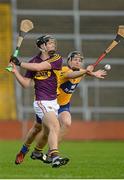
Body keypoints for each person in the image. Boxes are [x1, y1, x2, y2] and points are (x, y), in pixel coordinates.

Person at [10, 50, 107, 165]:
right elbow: (70, 75)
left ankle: (51, 153)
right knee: (37, 128)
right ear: (69, 61)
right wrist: (86, 71)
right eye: (75, 59)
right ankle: (24, 150)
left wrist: (92, 73)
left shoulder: (80, 72)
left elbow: (82, 72)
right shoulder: (64, 70)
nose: (78, 62)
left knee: (66, 123)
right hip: (48, 103)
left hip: (63, 106)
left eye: (80, 60)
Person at [10, 34, 69, 168]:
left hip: (53, 102)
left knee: (43, 130)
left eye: (54, 43)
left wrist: (19, 63)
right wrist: (15, 71)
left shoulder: (56, 58)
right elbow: (26, 84)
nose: (53, 46)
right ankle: (55, 157)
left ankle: (34, 152)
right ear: (42, 46)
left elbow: (39, 67)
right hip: (41, 102)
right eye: (50, 43)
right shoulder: (32, 62)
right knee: (55, 126)